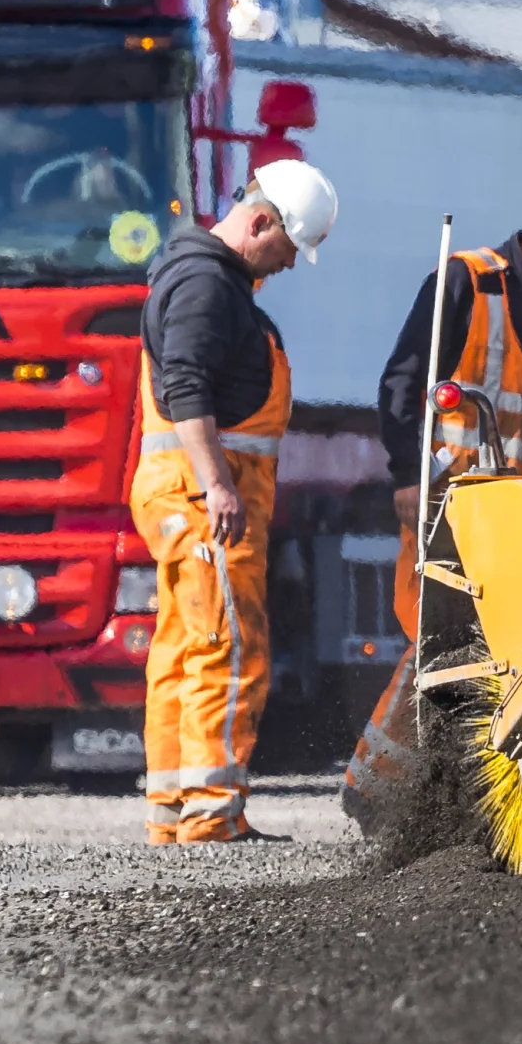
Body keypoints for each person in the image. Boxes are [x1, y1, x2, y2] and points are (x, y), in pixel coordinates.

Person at [340, 166, 522, 827]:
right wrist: (408, 478)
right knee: (438, 649)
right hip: (455, 513)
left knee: (513, 662)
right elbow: (400, 385)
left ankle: (471, 806)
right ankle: (377, 794)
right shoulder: (465, 281)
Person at [130, 157, 337, 844]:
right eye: (283, 249)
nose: (282, 265)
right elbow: (185, 385)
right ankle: (212, 816)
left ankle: (173, 812)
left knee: (183, 650)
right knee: (227, 648)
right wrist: (218, 483)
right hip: (202, 503)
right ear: (258, 221)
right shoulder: (206, 287)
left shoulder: (196, 277)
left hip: (181, 497)